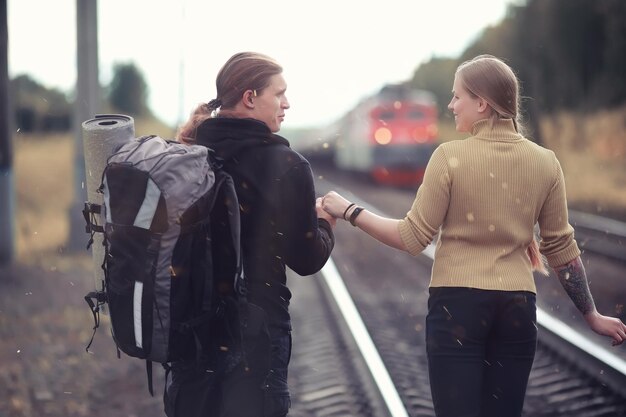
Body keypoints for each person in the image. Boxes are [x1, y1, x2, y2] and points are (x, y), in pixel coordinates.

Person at [321, 54, 626, 417]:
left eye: (457, 97)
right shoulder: (546, 162)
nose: (450, 105)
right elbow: (561, 248)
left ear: (482, 103)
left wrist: (349, 211)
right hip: (516, 307)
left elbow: (411, 237)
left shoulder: (449, 157)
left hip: (457, 308)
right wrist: (590, 313)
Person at [164, 52, 335, 417]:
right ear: (250, 97)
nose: (286, 103)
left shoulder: (186, 153)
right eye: (279, 93)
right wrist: (323, 223)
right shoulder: (286, 164)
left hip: (191, 326)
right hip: (257, 330)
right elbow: (306, 260)